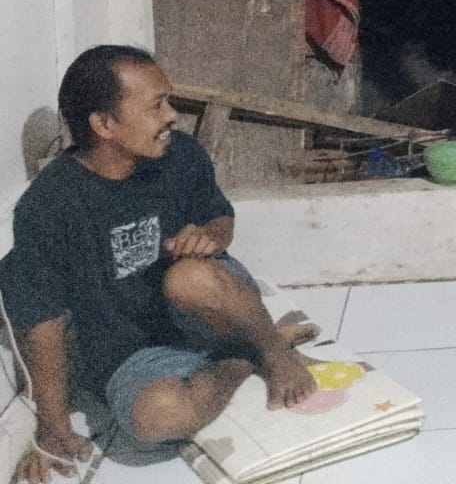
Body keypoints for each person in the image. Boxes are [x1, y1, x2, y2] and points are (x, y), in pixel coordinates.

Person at [2, 46, 317, 482]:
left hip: (206, 308)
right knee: (156, 419)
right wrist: (52, 427)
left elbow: (220, 215)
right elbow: (44, 325)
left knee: (190, 279)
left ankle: (276, 354)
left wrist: (210, 236)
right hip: (132, 349)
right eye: (157, 105)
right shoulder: (48, 207)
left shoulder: (180, 154)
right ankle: (245, 357)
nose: (172, 116)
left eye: (168, 101)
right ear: (104, 124)